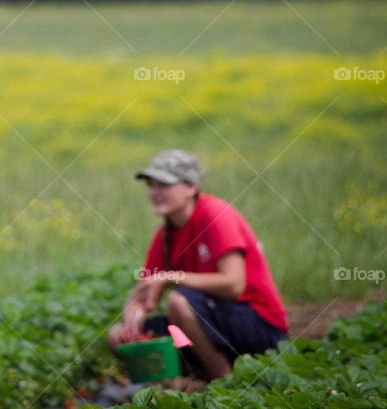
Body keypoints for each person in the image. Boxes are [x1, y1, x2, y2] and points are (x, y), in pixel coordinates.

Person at [108, 149, 288, 380]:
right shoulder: (165, 236)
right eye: (151, 185)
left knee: (179, 302)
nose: (155, 192)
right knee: (116, 336)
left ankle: (223, 382)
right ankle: (173, 385)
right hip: (212, 325)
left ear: (191, 187)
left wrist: (172, 277)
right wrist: (132, 323)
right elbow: (141, 297)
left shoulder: (215, 214)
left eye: (164, 184)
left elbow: (234, 284)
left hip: (259, 327)